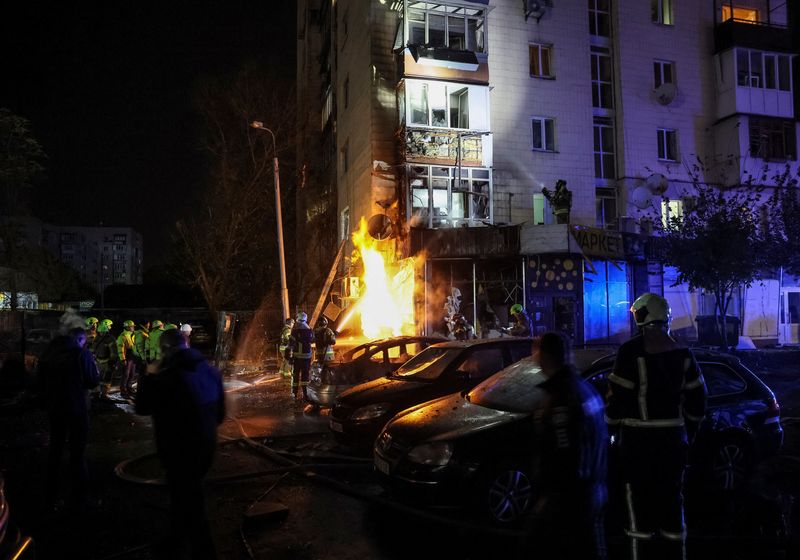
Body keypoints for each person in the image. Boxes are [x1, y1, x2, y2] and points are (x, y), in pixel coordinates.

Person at [605, 293, 707, 560]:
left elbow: (617, 400)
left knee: (639, 513)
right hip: (673, 443)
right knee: (673, 507)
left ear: (641, 317)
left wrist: (610, 430)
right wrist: (689, 431)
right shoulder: (683, 353)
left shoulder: (630, 352)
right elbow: (698, 399)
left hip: (638, 445)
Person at [135, 329, 225, 559]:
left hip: (178, 448)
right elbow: (220, 415)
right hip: (205, 446)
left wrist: (148, 375)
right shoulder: (210, 371)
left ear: (164, 350)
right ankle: (175, 539)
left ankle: (204, 551)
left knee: (189, 499)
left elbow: (142, 407)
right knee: (184, 494)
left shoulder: (166, 377)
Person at [525, 332, 608, 560]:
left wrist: (548, 501)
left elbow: (567, 457)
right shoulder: (586, 391)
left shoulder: (562, 399)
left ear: (542, 355)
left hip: (569, 504)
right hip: (591, 494)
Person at [37, 327, 100, 510]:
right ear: (80, 339)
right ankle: (79, 499)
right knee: (77, 453)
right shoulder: (81, 354)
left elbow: (39, 383)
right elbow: (92, 380)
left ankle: (49, 496)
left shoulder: (48, 355)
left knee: (55, 450)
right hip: (77, 408)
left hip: (55, 409)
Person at [289, 311, 314, 402]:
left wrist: (289, 357)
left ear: (298, 319)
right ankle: (305, 393)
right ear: (305, 319)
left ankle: (294, 393)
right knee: (305, 375)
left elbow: (290, 344)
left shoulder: (295, 330)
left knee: (295, 375)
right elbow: (312, 340)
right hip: (307, 357)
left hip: (297, 357)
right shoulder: (309, 329)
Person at [94, 319, 117, 399]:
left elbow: (93, 350)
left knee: (98, 378)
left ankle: (96, 394)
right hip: (107, 363)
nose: (110, 327)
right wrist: (113, 363)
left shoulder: (96, 338)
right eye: (109, 326)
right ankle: (104, 395)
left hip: (97, 362)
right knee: (107, 378)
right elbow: (113, 353)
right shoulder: (110, 339)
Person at [116, 320, 137, 399]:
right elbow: (120, 349)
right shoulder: (122, 336)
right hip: (127, 358)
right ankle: (123, 390)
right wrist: (123, 359)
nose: (133, 328)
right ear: (127, 327)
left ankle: (129, 388)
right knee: (126, 375)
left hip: (132, 357)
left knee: (132, 374)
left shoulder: (133, 335)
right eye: (132, 326)